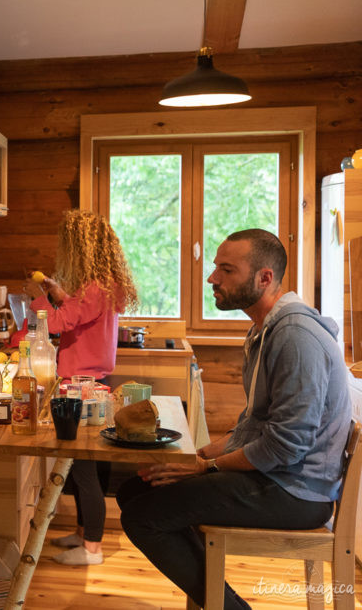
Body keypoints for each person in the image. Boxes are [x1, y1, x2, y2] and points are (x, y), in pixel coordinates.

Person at [117, 229, 351, 609]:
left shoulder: (294, 336)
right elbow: (254, 426)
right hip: (280, 478)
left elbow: (286, 444)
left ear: (264, 278)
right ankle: (216, 599)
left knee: (144, 516)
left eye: (226, 270)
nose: (212, 278)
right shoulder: (267, 329)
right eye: (215, 268)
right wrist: (193, 458)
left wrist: (205, 466)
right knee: (136, 491)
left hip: (296, 491)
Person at [25, 209, 138, 566]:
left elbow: (60, 322)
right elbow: (76, 311)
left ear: (81, 249)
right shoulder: (104, 284)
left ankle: (93, 550)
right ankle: (84, 532)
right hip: (91, 384)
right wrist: (57, 291)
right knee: (86, 468)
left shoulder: (96, 287)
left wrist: (38, 298)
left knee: (83, 469)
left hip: (80, 387)